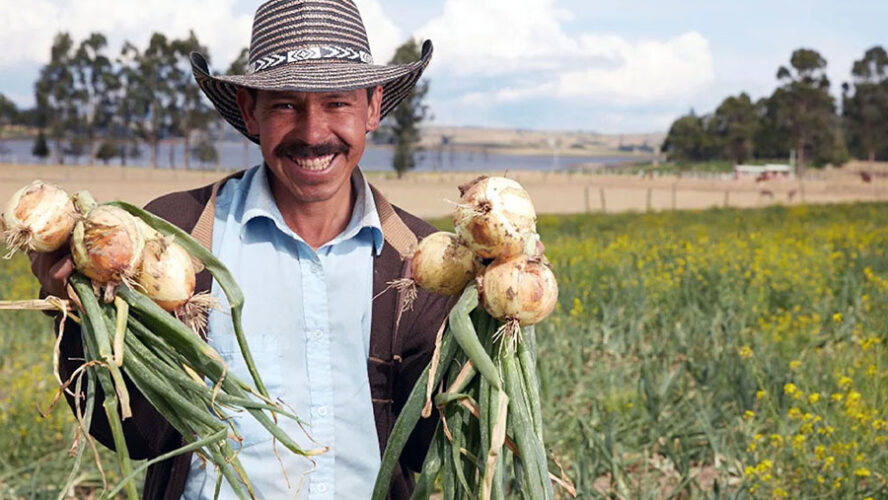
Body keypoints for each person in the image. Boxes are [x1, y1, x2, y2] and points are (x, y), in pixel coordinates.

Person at [29, 1, 452, 498]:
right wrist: (80, 316)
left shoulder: (425, 262)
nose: (314, 134)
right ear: (251, 112)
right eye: (286, 105)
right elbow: (134, 432)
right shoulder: (172, 236)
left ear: (373, 107)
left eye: (337, 102)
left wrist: (487, 331)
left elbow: (430, 445)